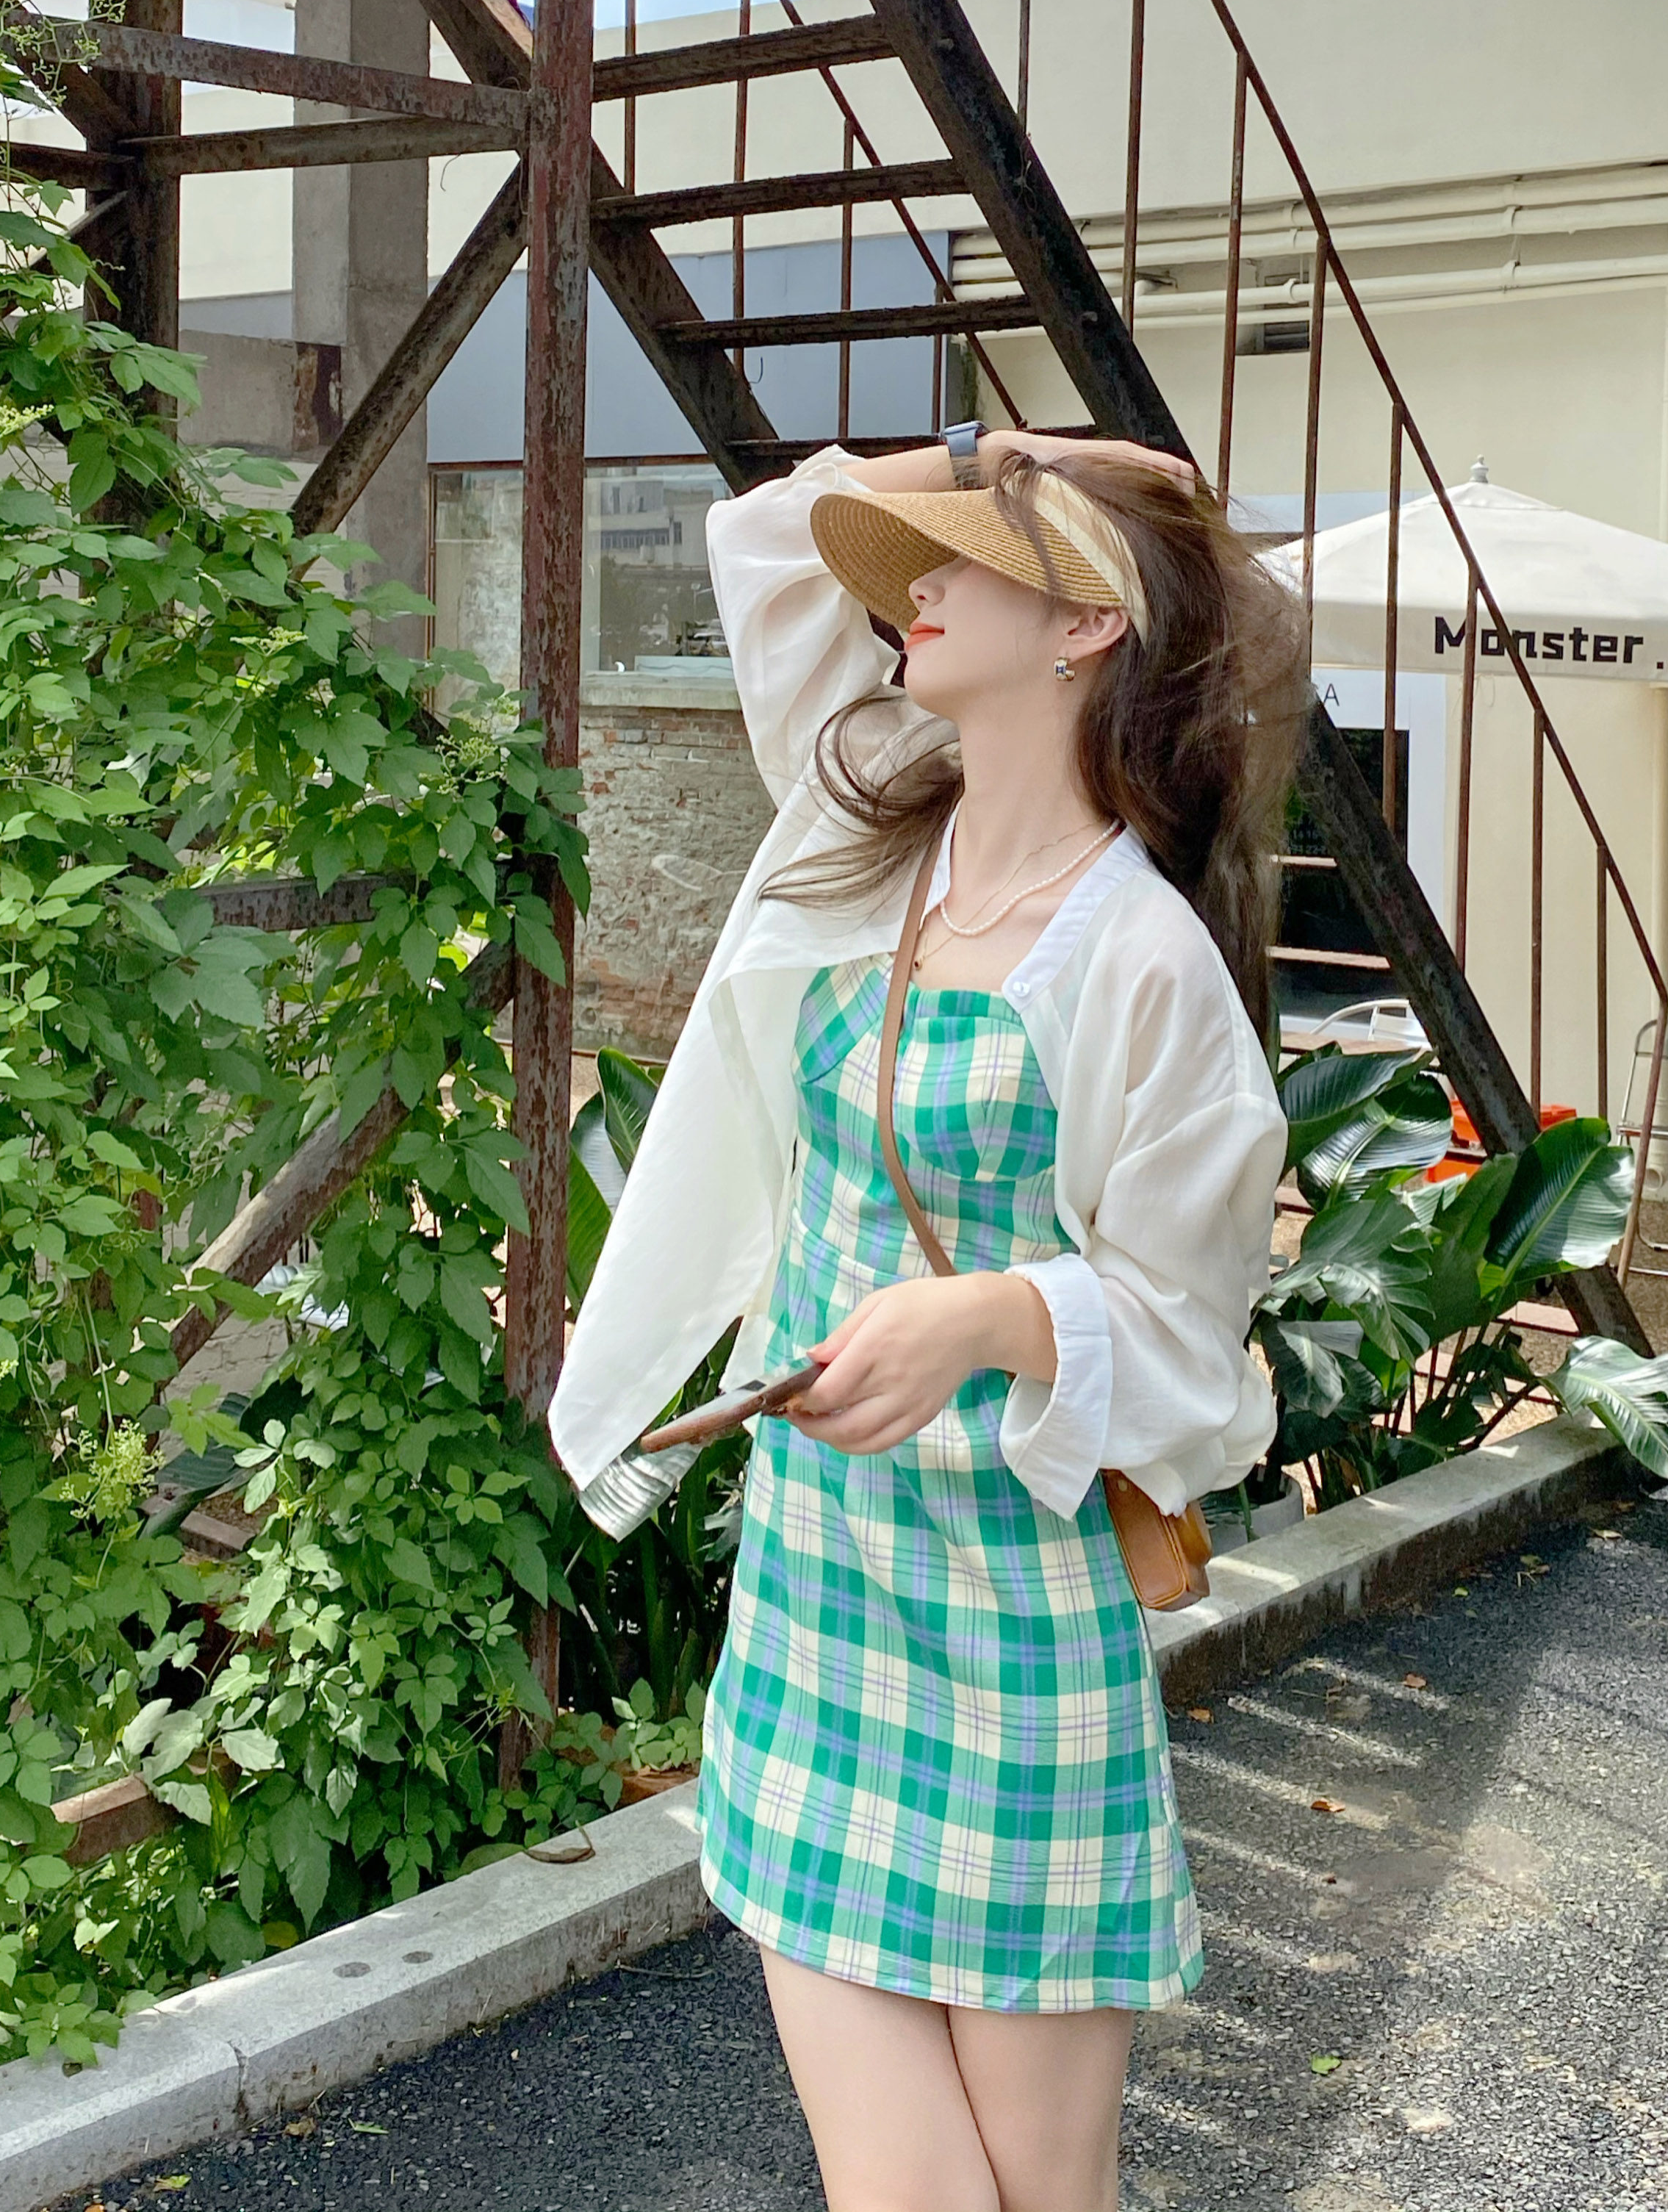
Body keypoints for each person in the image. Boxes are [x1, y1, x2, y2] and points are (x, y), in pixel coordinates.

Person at [550, 428, 1309, 2212]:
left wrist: (992, 1313)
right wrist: (994, 458)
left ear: (1087, 626)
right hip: (819, 1591)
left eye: (972, 552)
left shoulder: (1144, 961)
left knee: (1039, 2190)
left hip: (1018, 1621)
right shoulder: (868, 820)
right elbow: (766, 539)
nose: (921, 580)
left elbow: (1196, 1358)